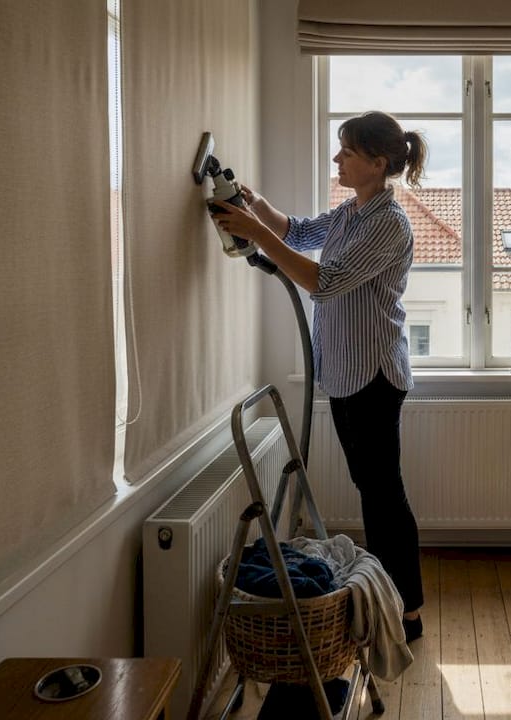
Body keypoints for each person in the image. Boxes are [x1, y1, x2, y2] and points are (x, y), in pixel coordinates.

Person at [211, 110, 426, 642]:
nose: (337, 159)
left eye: (347, 152)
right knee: (372, 489)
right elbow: (301, 233)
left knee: (382, 495)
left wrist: (255, 232)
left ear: (377, 163)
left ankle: (407, 611)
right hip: (348, 375)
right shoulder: (353, 211)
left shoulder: (388, 223)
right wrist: (255, 203)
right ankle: (390, 599)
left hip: (374, 379)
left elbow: (323, 282)